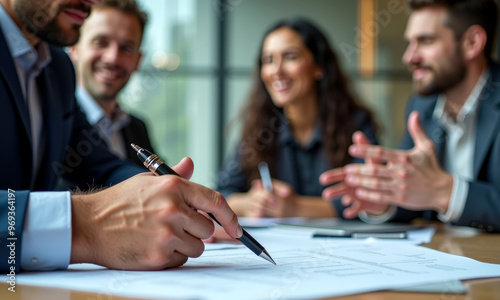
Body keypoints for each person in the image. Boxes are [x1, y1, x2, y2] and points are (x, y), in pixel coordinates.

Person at [0, 0, 242, 273]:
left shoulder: (57, 68)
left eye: (126, 47)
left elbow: (100, 165)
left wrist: (167, 196)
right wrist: (84, 224)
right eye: (101, 42)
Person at [320, 0, 500, 232]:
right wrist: (386, 200)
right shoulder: (422, 106)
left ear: (472, 42)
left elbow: (434, 192)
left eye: (425, 41)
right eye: (410, 43)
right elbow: (419, 197)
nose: (409, 57)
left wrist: (445, 192)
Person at [217, 18, 378, 218]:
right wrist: (249, 202)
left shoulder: (356, 124)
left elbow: (369, 197)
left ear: (319, 67)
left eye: (290, 57)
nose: (276, 71)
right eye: (268, 60)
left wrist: (296, 208)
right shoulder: (259, 127)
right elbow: (222, 191)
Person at [70, 0, 155, 168]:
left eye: (126, 48)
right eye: (101, 42)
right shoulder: (55, 122)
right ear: (74, 48)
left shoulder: (137, 128)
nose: (112, 58)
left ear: (138, 61)